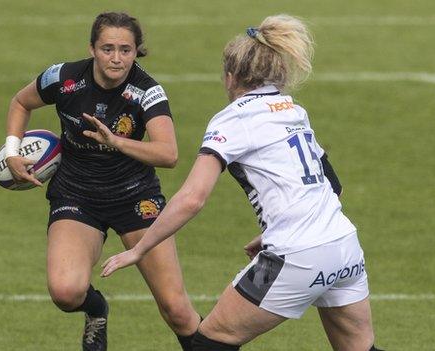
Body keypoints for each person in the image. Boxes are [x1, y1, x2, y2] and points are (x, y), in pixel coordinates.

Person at [101, 14, 383, 351]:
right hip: (344, 248)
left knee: (209, 343)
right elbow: (331, 184)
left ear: (231, 76)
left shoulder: (234, 119)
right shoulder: (293, 110)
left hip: (295, 255)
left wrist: (140, 249)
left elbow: (192, 198)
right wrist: (271, 230)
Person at [3, 12, 201, 351]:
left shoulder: (147, 91)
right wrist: (12, 152)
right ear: (92, 49)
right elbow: (21, 102)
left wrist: (117, 142)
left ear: (137, 51)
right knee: (66, 292)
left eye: (125, 50)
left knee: (177, 310)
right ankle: (96, 310)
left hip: (135, 198)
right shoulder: (63, 78)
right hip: (76, 195)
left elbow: (169, 154)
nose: (116, 58)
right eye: (107, 48)